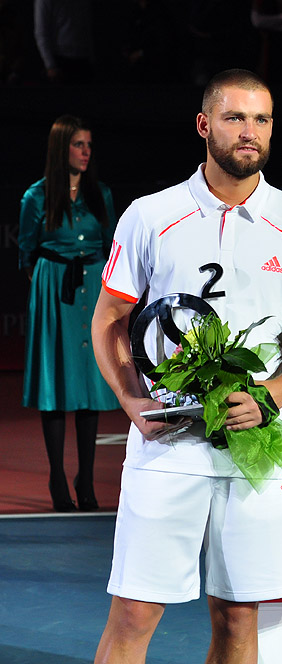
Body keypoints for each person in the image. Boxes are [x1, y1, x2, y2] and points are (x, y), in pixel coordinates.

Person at [91, 68, 282, 664]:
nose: (249, 132)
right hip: (169, 444)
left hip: (254, 445)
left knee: (237, 616)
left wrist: (273, 395)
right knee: (134, 611)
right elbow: (108, 321)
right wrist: (131, 400)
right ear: (204, 125)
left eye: (261, 119)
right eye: (234, 118)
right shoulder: (151, 215)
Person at [19, 114, 118, 512]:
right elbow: (27, 252)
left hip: (93, 286)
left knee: (91, 388)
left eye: (89, 145)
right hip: (53, 288)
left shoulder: (101, 194)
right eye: (79, 145)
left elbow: (112, 246)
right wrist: (48, 285)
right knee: (57, 385)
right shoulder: (36, 197)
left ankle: (87, 478)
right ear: (62, 149)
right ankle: (58, 477)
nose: (86, 152)